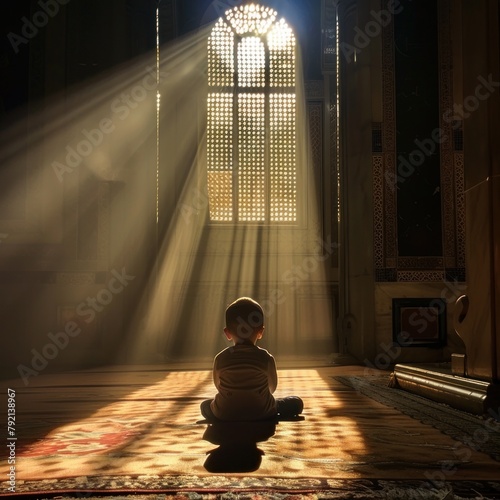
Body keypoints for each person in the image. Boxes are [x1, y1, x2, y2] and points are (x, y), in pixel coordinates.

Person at [200, 297, 304, 421]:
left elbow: (219, 386)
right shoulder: (266, 358)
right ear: (261, 332)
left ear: (227, 333)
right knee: (296, 402)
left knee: (204, 406)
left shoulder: (220, 358)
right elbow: (272, 388)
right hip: (262, 412)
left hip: (225, 413)